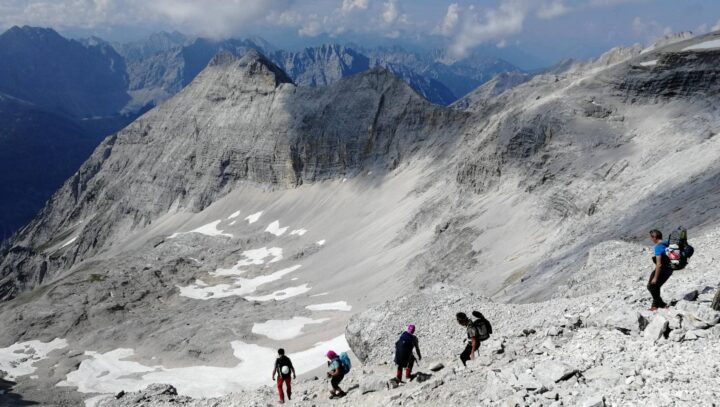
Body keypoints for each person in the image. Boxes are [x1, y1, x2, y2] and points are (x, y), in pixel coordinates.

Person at [648, 229, 673, 311]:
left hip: (662, 271)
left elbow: (659, 264)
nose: (651, 239)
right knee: (656, 286)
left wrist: (655, 277)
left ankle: (662, 304)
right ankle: (654, 306)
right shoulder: (668, 243)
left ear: (654, 237)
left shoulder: (658, 247)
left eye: (651, 238)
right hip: (669, 270)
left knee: (651, 286)